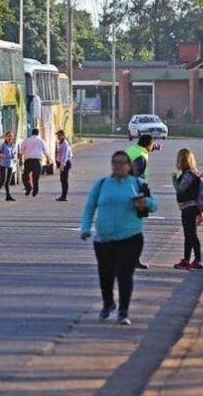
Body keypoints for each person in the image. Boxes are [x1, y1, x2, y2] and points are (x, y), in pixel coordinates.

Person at [80, 150, 158, 326]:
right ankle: (108, 303)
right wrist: (85, 228)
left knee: (124, 274)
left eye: (122, 162)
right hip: (104, 239)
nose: (118, 166)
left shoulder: (137, 184)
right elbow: (90, 207)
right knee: (105, 275)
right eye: (115, 162)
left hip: (130, 237)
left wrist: (145, 203)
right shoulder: (102, 184)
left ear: (129, 165)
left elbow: (154, 205)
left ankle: (123, 311)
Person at [171, 148, 203, 270]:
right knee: (188, 234)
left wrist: (174, 179)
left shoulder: (189, 174)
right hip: (190, 207)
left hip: (189, 208)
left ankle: (198, 259)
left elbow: (180, 189)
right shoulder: (192, 173)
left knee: (191, 234)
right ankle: (187, 259)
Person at [126, 134, 154, 270]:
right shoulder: (141, 157)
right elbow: (135, 177)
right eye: (152, 145)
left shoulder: (132, 150)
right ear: (148, 144)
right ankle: (134, 259)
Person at [19, 128, 50, 197]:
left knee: (25, 176)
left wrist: (20, 161)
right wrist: (48, 159)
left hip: (28, 161)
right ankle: (35, 191)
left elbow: (21, 152)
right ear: (38, 133)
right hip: (37, 161)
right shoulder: (41, 141)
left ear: (31, 133)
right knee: (36, 177)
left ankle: (28, 187)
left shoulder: (26, 141)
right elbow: (45, 151)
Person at [0, 131, 16, 202]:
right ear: (6, 137)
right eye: (9, 136)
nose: (10, 138)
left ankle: (8, 196)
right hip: (3, 165)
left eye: (11, 136)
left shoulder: (12, 146)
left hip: (10, 165)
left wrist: (13, 156)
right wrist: (2, 155)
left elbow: (14, 154)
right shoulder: (3, 145)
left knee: (8, 182)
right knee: (2, 181)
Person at [56, 130, 73, 202]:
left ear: (63, 135)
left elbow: (65, 156)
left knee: (64, 180)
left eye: (59, 135)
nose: (58, 137)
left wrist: (62, 165)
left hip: (65, 163)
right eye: (57, 135)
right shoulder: (61, 143)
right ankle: (63, 195)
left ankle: (64, 196)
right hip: (63, 163)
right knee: (62, 180)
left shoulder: (65, 144)